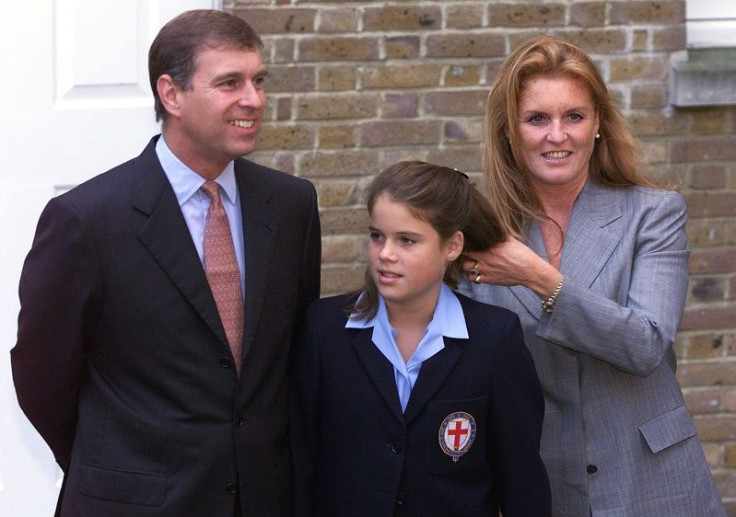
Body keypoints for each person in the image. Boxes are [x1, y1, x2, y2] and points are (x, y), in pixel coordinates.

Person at [11, 9, 321, 517]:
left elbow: (294, 354)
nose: (254, 100)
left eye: (258, 81)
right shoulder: (86, 220)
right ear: (171, 95)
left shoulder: (291, 205)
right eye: (229, 83)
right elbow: (42, 377)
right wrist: (114, 464)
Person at [459, 34, 725, 516]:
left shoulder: (654, 214)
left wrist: (537, 277)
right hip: (544, 484)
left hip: (654, 480)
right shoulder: (482, 234)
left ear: (598, 123)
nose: (556, 135)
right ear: (510, 131)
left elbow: (644, 344)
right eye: (537, 118)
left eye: (574, 117)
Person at [290, 161, 551, 517]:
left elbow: (521, 479)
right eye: (377, 236)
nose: (386, 254)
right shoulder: (323, 329)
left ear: (452, 246)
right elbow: (299, 462)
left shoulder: (495, 338)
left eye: (407, 240)